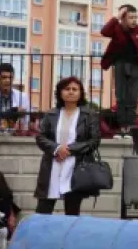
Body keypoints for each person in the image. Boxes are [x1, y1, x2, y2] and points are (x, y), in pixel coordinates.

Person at [34, 77, 101, 216]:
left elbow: (94, 140)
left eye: (74, 89)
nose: (71, 92)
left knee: (72, 211)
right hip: (52, 163)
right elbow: (40, 137)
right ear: (60, 92)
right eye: (67, 89)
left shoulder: (89, 115)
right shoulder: (51, 114)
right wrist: (57, 149)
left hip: (75, 165)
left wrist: (69, 150)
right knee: (43, 209)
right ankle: (40, 236)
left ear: (80, 93)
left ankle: (69, 237)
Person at [101, 5, 138, 138]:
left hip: (136, 66)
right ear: (123, 19)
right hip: (120, 65)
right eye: (130, 17)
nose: (134, 20)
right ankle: (122, 127)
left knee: (133, 97)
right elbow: (104, 32)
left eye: (135, 17)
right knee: (121, 97)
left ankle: (131, 126)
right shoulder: (117, 29)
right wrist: (116, 18)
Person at [0, 63, 30, 133]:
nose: (7, 80)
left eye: (10, 77)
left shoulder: (23, 97)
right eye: (4, 77)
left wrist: (22, 115)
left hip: (16, 139)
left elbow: (27, 123)